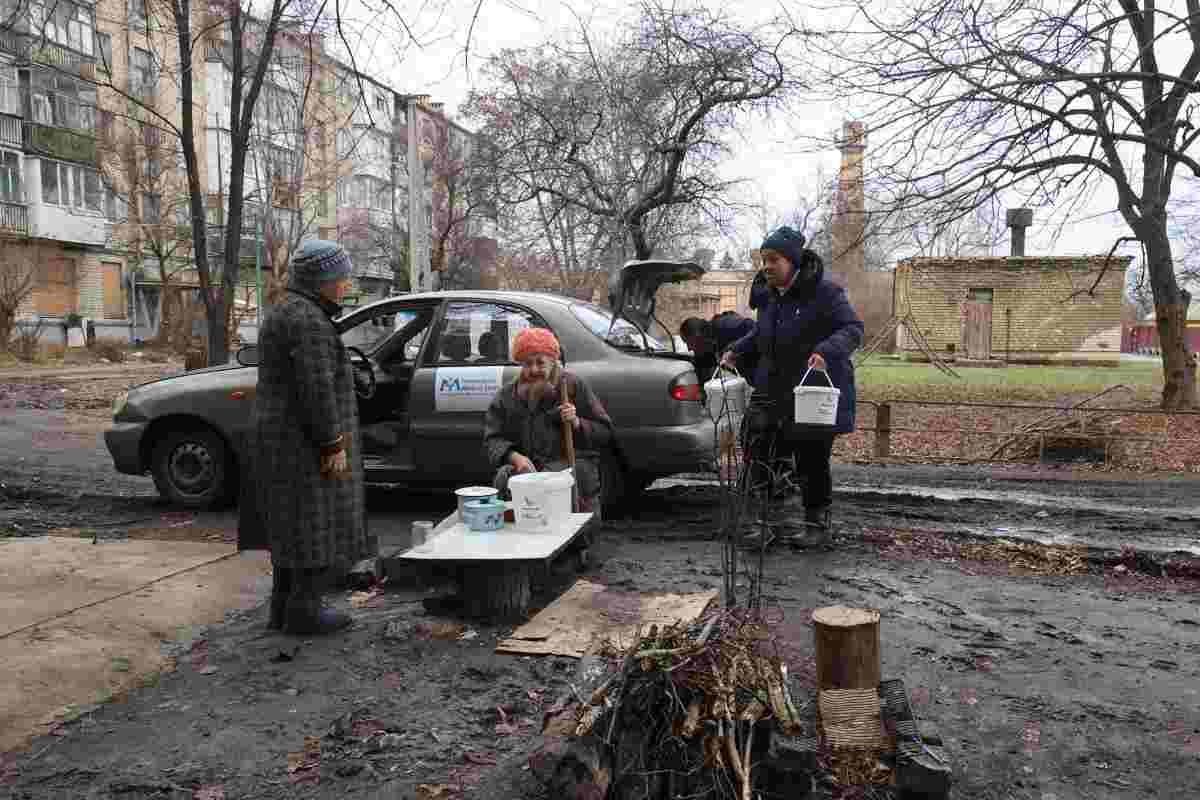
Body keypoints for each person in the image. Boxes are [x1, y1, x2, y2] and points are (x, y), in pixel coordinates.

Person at [241, 240, 371, 635]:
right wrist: (332, 443)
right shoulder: (309, 321)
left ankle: (282, 608)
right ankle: (305, 611)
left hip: (281, 439)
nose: (345, 285)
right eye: (341, 278)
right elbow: (315, 389)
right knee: (316, 523)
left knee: (290, 526)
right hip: (303, 443)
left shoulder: (288, 311)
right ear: (321, 281)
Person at [722, 226, 863, 547]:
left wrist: (827, 351)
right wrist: (737, 349)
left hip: (811, 390)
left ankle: (817, 526)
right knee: (757, 449)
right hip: (773, 387)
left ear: (793, 262)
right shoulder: (771, 298)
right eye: (763, 259)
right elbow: (762, 333)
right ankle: (760, 523)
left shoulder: (826, 294)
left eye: (773, 259)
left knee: (811, 458)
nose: (767, 266)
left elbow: (853, 328)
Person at [484, 327, 615, 516]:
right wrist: (513, 456)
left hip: (570, 479)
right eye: (527, 364)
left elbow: (605, 432)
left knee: (569, 535)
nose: (534, 369)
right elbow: (492, 439)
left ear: (553, 362)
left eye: (540, 363)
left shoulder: (573, 386)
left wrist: (577, 422)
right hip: (527, 480)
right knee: (505, 477)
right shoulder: (507, 396)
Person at [679, 311, 757, 384]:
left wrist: (734, 349)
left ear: (697, 336)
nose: (689, 348)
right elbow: (700, 369)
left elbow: (756, 329)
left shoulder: (725, 324)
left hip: (763, 370)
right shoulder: (705, 351)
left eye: (688, 343)